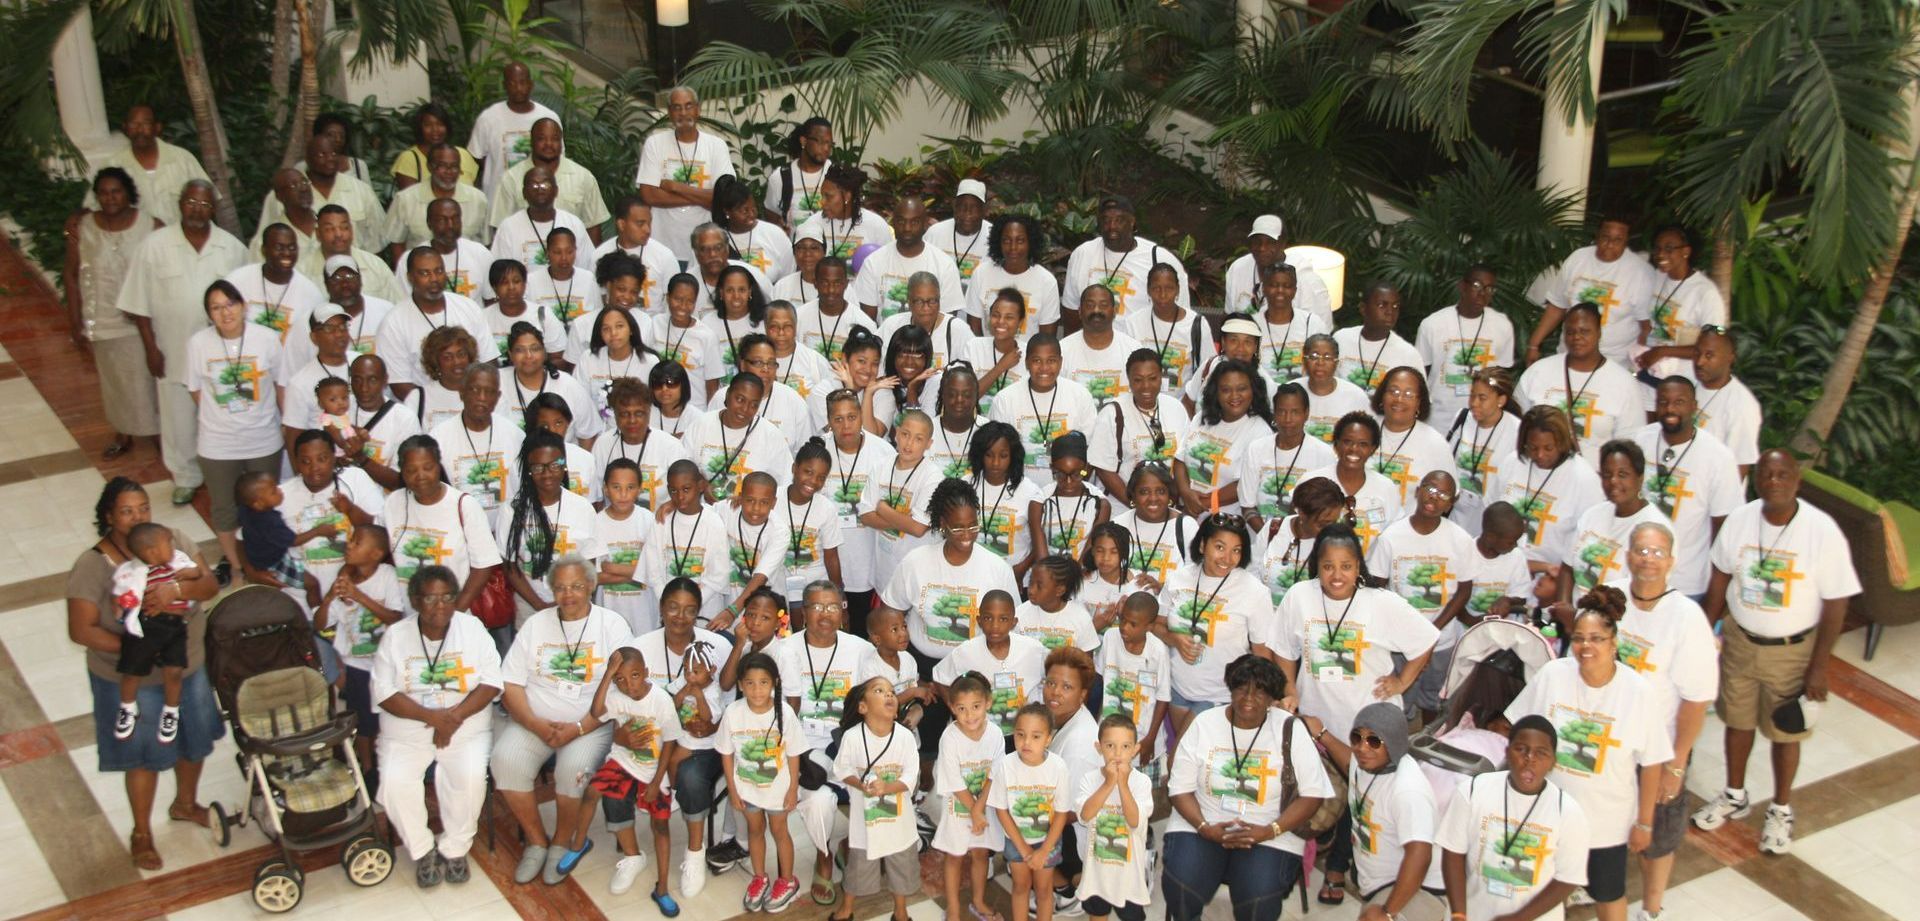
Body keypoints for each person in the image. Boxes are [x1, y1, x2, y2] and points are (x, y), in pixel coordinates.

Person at [1692, 449, 1860, 855]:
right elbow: (1720, 579)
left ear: (1797, 480)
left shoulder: (1821, 531)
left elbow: (1837, 602)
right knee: (1738, 720)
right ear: (1759, 480)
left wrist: (1818, 668)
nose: (1774, 481)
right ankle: (1734, 794)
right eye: (1767, 474)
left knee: (1786, 731)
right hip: (1740, 641)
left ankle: (1781, 810)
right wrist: (1699, 636)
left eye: (1783, 474)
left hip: (1791, 650)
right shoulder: (1741, 520)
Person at [67, 478, 223, 870]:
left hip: (186, 664)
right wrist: (143, 647)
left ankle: (186, 804)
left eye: (143, 508)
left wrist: (175, 590)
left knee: (194, 739)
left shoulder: (175, 541)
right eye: (126, 510)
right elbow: (81, 629)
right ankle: (141, 833)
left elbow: (208, 586)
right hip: (130, 677)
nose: (137, 517)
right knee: (143, 755)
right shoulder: (94, 564)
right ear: (108, 516)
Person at [1507, 588, 1674, 921]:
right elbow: (1517, 730)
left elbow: (1652, 762)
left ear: (1614, 644)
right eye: (1580, 637)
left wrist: (1644, 822)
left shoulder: (1637, 692)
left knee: (1608, 893)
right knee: (1545, 891)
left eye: (1597, 638)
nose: (1586, 646)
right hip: (1551, 812)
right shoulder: (1554, 675)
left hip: (1606, 821)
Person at [493, 557, 633, 884]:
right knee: (504, 760)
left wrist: (580, 727)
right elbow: (510, 684)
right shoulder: (536, 625)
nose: (568, 594)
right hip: (535, 721)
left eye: (577, 587)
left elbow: (624, 688)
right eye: (560, 587)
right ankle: (537, 841)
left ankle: (563, 839)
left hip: (590, 725)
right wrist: (535, 724)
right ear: (551, 589)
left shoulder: (612, 625)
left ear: (591, 587)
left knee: (571, 770)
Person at [1162, 654, 1332, 921]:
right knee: (1182, 885)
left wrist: (1269, 830)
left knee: (1258, 897)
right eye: (1242, 688)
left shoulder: (1290, 729)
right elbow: (1179, 789)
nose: (1249, 697)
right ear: (1231, 688)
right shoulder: (1204, 723)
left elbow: (1313, 795)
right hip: (1203, 821)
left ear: (1273, 698)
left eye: (1260, 691)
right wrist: (1204, 828)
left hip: (1271, 828)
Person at [119, 180, 250, 504]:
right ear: (181, 204)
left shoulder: (231, 248)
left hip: (225, 353)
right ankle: (186, 477)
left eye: (205, 204)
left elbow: (247, 303)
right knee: (178, 419)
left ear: (214, 209)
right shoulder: (154, 246)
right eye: (191, 202)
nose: (197, 209)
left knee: (228, 412)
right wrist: (151, 348)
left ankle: (231, 473)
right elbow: (139, 304)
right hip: (173, 349)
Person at [372, 565, 502, 888]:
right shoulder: (396, 637)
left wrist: (452, 719)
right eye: (430, 598)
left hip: (466, 723)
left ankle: (455, 847)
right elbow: (385, 693)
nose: (440, 605)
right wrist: (433, 719)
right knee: (393, 782)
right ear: (415, 600)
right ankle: (423, 848)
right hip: (409, 726)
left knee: (470, 777)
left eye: (447, 597)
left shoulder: (472, 629)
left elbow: (490, 683)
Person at [1612, 522, 1716, 921]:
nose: (1647, 560)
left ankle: (1651, 909)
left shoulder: (1686, 617)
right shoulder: (1612, 598)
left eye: (1657, 553)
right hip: (1610, 737)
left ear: (1672, 561)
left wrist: (1676, 763)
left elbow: (1696, 698)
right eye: (1641, 550)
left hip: (1658, 748)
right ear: (1628, 555)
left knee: (1655, 831)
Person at [1274, 518, 1439, 747]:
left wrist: (1401, 682)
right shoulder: (1299, 596)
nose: (1337, 576)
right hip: (1316, 720)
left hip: (1369, 728)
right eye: (1328, 566)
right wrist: (1290, 689)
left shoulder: (1381, 602)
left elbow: (1426, 639)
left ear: (1358, 566)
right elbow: (1283, 649)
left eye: (1346, 566)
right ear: (1317, 565)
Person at [1438, 714, 1592, 921]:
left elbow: (1567, 879)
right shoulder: (1474, 791)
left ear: (1553, 762)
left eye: (1541, 753)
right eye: (1521, 749)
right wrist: (1458, 913)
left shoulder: (1567, 812)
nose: (1530, 759)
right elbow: (1453, 853)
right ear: (1507, 752)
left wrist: (1519, 918)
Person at [1303, 701, 1445, 921]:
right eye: (1356, 738)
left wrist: (1387, 912)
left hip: (1418, 887)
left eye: (1374, 741)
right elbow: (1348, 763)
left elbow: (1420, 856)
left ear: (1394, 742)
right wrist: (1322, 733)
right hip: (1379, 882)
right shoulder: (1367, 765)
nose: (1362, 747)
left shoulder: (1407, 791)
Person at [187, 280, 285, 579]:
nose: (224, 313)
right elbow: (195, 390)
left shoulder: (267, 339)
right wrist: (223, 417)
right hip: (218, 443)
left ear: (243, 306)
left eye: (230, 304)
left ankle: (267, 559)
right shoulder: (198, 343)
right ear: (208, 314)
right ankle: (238, 565)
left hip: (263, 438)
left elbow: (280, 385)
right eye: (216, 308)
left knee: (264, 504)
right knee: (224, 508)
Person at [577, 644, 685, 909]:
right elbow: (596, 712)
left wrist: (657, 782)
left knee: (660, 826)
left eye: (635, 676)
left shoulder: (660, 700)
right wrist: (607, 675)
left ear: (646, 672)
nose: (628, 685)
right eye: (620, 679)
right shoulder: (615, 695)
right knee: (592, 791)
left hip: (654, 771)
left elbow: (670, 744)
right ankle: (579, 844)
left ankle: (661, 887)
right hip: (623, 760)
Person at [1368, 471, 1479, 722]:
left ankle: (1426, 744)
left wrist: (1432, 633)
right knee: (1397, 698)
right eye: (1430, 489)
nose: (1434, 497)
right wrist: (1409, 633)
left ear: (1451, 503)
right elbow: (1379, 589)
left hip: (1442, 638)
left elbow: (1463, 592)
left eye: (1443, 495)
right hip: (1399, 640)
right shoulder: (1391, 538)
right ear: (1418, 491)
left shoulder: (1461, 540)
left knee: (1433, 697)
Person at [67, 167, 162, 461]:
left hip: (143, 320)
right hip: (103, 318)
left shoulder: (151, 225)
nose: (110, 198)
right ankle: (123, 432)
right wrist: (75, 320)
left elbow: (162, 273)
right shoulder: (82, 228)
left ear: (128, 193)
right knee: (115, 382)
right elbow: (71, 275)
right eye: (104, 193)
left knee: (148, 380)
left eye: (116, 191)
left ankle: (158, 432)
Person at [1157, 513, 1275, 742]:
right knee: (1194, 766)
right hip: (1177, 690)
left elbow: (1262, 653)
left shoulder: (1254, 591)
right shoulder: (1179, 578)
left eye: (1236, 550)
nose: (1228, 558)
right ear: (1202, 545)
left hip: (1221, 694)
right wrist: (1176, 640)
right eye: (1220, 547)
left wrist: (1265, 697)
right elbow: (1157, 625)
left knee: (1179, 761)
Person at [1632, 376, 1742, 600]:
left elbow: (1725, 527)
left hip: (1686, 581)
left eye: (1679, 402)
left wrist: (1717, 594)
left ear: (1694, 406)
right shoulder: (1641, 439)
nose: (1670, 408)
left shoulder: (1719, 457)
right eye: (1663, 402)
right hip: (1636, 571)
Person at [382, 435, 506, 618]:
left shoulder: (464, 505)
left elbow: (484, 565)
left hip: (455, 615)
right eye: (411, 470)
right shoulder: (394, 502)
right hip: (410, 618)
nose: (420, 476)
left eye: (428, 467)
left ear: (439, 466)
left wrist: (454, 612)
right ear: (402, 472)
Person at [831, 676, 921, 921]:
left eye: (891, 691)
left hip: (899, 821)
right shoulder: (852, 737)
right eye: (879, 691)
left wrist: (887, 787)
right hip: (864, 821)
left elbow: (912, 776)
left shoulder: (904, 738)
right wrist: (861, 785)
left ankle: (900, 911)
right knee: (858, 866)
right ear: (863, 707)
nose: (889, 695)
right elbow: (842, 769)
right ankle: (847, 908)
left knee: (901, 867)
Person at [1556, 440, 1672, 620]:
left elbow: (1647, 597)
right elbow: (1566, 568)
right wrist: (1565, 610)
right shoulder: (1592, 515)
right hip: (1577, 626)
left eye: (1623, 474)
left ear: (1640, 478)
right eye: (1607, 474)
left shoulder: (1656, 530)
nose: (1613, 481)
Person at [1518, 303, 1644, 469]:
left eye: (1584, 331)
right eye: (1570, 332)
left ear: (1599, 332)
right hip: (1539, 476)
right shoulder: (1538, 372)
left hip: (1595, 482)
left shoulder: (1624, 383)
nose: (1576, 337)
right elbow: (1516, 427)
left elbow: (1630, 446)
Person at [498, 430, 605, 624]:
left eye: (555, 465)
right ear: (529, 470)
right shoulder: (512, 510)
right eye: (538, 467)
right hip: (529, 607)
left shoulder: (582, 508)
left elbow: (589, 563)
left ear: (564, 466)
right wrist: (539, 606)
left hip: (576, 605)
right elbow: (510, 566)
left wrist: (573, 600)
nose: (547, 474)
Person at [109, 522, 202, 742]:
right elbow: (119, 594)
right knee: (132, 670)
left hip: (175, 626)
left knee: (175, 670)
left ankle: (171, 711)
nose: (172, 546)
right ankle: (128, 706)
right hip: (147, 625)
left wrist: (186, 573)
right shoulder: (130, 571)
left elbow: (198, 572)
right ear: (152, 552)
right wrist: (120, 606)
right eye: (167, 543)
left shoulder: (177, 560)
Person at [1527, 216, 1655, 366]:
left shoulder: (1641, 272)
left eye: (1617, 240)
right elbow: (1556, 306)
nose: (1609, 245)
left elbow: (1646, 326)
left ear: (1626, 242)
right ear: (1597, 236)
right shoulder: (1578, 258)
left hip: (1614, 361)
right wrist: (1534, 344)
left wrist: (1639, 362)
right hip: (1568, 355)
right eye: (1605, 237)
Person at [934, 670, 1007, 921]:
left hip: (984, 807)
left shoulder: (995, 734)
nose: (969, 715)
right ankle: (953, 907)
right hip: (958, 807)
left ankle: (978, 901)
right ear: (953, 708)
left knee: (980, 853)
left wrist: (979, 810)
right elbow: (954, 781)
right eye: (962, 709)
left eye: (976, 706)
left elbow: (994, 775)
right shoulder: (950, 738)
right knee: (954, 855)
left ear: (988, 702)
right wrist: (973, 810)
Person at [991, 702, 1073, 921]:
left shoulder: (1058, 767)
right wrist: (1025, 851)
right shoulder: (1005, 766)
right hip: (1016, 842)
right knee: (1020, 886)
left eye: (1036, 736)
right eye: (1020, 734)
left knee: (1044, 890)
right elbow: (1001, 810)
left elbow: (1061, 814)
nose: (1026, 742)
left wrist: (1044, 850)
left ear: (1049, 738)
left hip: (1049, 841)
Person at [379, 248, 499, 395]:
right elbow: (399, 384)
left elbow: (489, 362)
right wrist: (435, 404)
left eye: (439, 271)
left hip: (473, 400)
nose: (434, 278)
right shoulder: (394, 322)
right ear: (410, 277)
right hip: (425, 408)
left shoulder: (468, 307)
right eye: (424, 273)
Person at [637, 87, 736, 265]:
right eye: (677, 107)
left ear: (697, 109)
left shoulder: (716, 146)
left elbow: (724, 198)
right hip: (664, 247)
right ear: (669, 113)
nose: (683, 113)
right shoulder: (655, 143)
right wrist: (704, 197)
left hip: (706, 249)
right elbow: (649, 195)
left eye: (688, 106)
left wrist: (676, 187)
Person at [1061, 194, 1190, 324]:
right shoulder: (1083, 254)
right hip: (1093, 340)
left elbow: (1181, 318)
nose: (1112, 226)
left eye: (1119, 220)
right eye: (1106, 220)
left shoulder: (1160, 259)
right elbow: (1071, 310)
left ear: (1132, 221)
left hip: (1140, 342)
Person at [1418, 263, 1515, 426]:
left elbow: (1502, 376)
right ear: (1462, 287)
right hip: (1438, 418)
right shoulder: (1433, 324)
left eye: (1489, 289)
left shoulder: (1502, 326)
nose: (1482, 293)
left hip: (1483, 419)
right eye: (1477, 286)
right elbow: (1421, 374)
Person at [1635, 225, 1726, 398]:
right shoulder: (1657, 277)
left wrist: (1663, 351)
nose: (1661, 254)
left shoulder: (1705, 293)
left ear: (1686, 251)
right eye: (1658, 248)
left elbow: (1712, 346)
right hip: (1651, 372)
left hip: (1682, 381)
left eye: (1669, 248)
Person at [81, 105, 209, 226]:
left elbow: (209, 199)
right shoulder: (113, 165)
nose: (140, 129)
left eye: (146, 123)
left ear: (157, 127)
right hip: (137, 245)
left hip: (182, 242)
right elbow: (92, 207)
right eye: (133, 124)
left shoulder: (182, 159)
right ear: (125, 128)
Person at [491, 117, 610, 244]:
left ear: (561, 142)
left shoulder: (583, 177)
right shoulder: (511, 178)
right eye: (541, 138)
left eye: (555, 139)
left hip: (568, 259)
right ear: (531, 142)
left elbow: (593, 227)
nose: (549, 144)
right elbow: (500, 227)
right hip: (522, 258)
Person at [1176, 358, 1271, 517]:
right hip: (1188, 513)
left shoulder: (1261, 431)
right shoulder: (1201, 417)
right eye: (1226, 390)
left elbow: (1246, 483)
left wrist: (1201, 504)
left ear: (1253, 390)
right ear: (1216, 392)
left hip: (1226, 522)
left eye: (1242, 389)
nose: (1234, 396)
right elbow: (1179, 460)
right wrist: (1186, 493)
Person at [1297, 412, 1402, 555]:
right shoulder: (1311, 481)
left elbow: (1393, 539)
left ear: (1373, 449)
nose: (1354, 449)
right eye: (1347, 442)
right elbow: (1297, 527)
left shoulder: (1386, 488)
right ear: (1336, 444)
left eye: (1363, 444)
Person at [1238, 381, 1335, 537]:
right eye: (1282, 411)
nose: (1288, 419)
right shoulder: (1256, 449)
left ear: (1306, 413)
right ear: (1274, 413)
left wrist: (1285, 538)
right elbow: (1247, 506)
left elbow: (1325, 510)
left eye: (1295, 412)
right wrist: (1269, 537)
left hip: (1304, 540)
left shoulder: (1324, 454)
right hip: (1259, 540)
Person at [259, 135, 384, 253]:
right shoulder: (284, 193)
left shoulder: (361, 190)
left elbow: (377, 243)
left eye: (334, 153)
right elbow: (264, 241)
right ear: (308, 160)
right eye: (321, 155)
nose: (330, 158)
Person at [854, 196, 965, 323]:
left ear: (924, 225)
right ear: (893, 222)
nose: (907, 228)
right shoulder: (873, 262)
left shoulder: (945, 265)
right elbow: (867, 321)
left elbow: (946, 323)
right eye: (901, 221)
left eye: (914, 222)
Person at [470, 61, 560, 199]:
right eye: (512, 84)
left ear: (531, 84)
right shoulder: (488, 118)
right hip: (498, 200)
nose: (518, 88)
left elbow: (558, 157)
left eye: (522, 82)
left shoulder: (548, 117)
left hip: (540, 201)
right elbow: (477, 155)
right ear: (504, 86)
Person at [1447, 366, 1520, 534]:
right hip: (1456, 515)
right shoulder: (1462, 417)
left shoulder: (1516, 431)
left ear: (1501, 400)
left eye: (1482, 398)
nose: (1474, 403)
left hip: (1489, 521)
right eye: (1472, 395)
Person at [1223, 214, 1334, 325]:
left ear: (1283, 243)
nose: (1262, 248)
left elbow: (1321, 332)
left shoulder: (1307, 281)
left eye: (1270, 242)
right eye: (1257, 241)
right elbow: (1228, 318)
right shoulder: (1237, 269)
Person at [1123, 262, 1215, 394]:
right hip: (1141, 402)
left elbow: (1209, 370)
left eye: (1169, 288)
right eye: (1156, 288)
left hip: (1183, 405)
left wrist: (1190, 402)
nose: (1163, 295)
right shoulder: (1133, 323)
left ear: (1178, 290)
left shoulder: (1196, 324)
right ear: (1148, 290)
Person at [386, 143, 492, 254]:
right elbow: (396, 243)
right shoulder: (405, 200)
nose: (449, 171)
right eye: (442, 166)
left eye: (454, 166)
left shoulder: (478, 200)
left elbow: (485, 243)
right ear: (430, 167)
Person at [1373, 367, 1455, 507]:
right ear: (1382, 396)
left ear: (1419, 403)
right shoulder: (1365, 430)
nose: (1399, 399)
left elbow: (1448, 493)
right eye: (1394, 391)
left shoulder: (1435, 444)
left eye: (1409, 394)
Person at [966, 214, 1060, 337]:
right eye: (1006, 241)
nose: (1013, 247)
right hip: (987, 354)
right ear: (998, 243)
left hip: (1029, 355)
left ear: (1031, 243)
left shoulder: (1046, 282)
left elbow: (1047, 337)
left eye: (1020, 241)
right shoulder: (982, 273)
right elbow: (974, 327)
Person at [490, 166, 597, 273]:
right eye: (534, 185)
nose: (540, 189)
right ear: (524, 193)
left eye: (545, 184)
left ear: (556, 191)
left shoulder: (573, 224)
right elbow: (501, 273)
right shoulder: (508, 227)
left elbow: (586, 268)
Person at [1688, 327, 1761, 478]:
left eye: (1709, 355)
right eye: (1697, 353)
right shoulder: (1689, 386)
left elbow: (1739, 467)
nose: (1700, 362)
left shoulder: (1741, 404)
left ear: (1730, 358)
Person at [297, 205, 408, 306]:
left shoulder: (374, 264)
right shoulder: (302, 271)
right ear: (318, 234)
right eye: (329, 229)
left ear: (351, 230)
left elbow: (399, 304)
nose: (338, 234)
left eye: (344, 227)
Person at [394, 199, 495, 304]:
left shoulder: (479, 253)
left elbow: (491, 299)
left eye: (455, 219)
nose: (450, 225)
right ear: (429, 223)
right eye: (442, 220)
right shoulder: (411, 259)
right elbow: (404, 303)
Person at [595, 195, 682, 315]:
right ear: (621, 224)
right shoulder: (599, 255)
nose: (647, 229)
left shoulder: (665, 256)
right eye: (640, 224)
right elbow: (596, 298)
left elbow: (675, 300)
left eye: (649, 223)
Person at [1060, 284, 1143, 408]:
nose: (1096, 310)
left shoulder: (1133, 350)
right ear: (1080, 311)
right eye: (1090, 305)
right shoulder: (1062, 350)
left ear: (1115, 311)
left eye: (1103, 305)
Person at [1244, 261, 1327, 385]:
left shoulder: (1313, 324)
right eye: (1273, 285)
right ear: (1264, 289)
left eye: (1287, 286)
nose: (1280, 291)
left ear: (1295, 290)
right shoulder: (1249, 325)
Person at [794, 162, 893, 261]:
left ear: (847, 196)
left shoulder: (876, 225)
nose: (822, 202)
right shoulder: (813, 224)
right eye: (822, 196)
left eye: (828, 196)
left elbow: (887, 264)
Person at [1334, 282, 1422, 392]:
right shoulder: (1341, 339)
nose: (1390, 312)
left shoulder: (1408, 355)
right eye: (1382, 305)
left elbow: (1421, 399)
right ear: (1363, 308)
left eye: (1395, 306)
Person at [712, 173, 794, 282]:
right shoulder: (715, 239)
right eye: (744, 210)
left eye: (753, 208)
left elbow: (789, 277)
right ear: (727, 212)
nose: (751, 214)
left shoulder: (774, 234)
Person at [1299, 333, 1372, 444]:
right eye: (1314, 356)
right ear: (1304, 360)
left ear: (1336, 362)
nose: (1320, 363)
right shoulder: (1292, 391)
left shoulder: (1356, 397)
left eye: (1327, 357)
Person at [762, 116, 834, 229]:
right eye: (820, 142)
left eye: (829, 144)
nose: (825, 148)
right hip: (794, 245)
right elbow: (771, 213)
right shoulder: (781, 177)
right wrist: (779, 227)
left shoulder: (837, 174)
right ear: (804, 141)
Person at [390, 101, 480, 190]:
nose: (435, 130)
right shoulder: (409, 159)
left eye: (440, 124)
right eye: (428, 125)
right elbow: (409, 200)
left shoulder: (463, 154)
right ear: (419, 128)